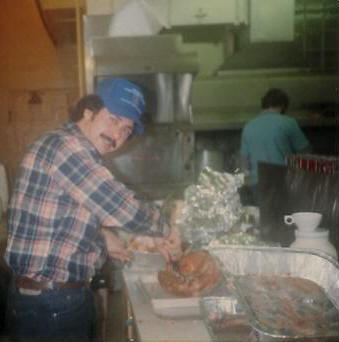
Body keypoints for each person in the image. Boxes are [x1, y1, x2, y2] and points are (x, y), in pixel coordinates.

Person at [4, 77, 182, 342]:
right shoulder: (67, 147)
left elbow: (64, 216)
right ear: (88, 112)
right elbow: (121, 207)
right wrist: (168, 228)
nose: (118, 135)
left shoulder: (68, 148)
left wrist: (101, 237)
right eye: (114, 119)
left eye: (126, 129)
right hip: (51, 305)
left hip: (48, 299)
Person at [240, 88, 311, 205]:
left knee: (263, 219)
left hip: (257, 184)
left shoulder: (249, 126)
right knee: (282, 219)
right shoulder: (288, 123)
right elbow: (306, 152)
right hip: (281, 181)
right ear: (282, 105)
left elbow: (244, 163)